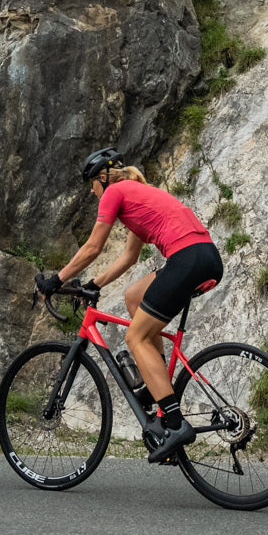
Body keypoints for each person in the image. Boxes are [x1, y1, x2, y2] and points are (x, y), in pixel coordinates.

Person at [36, 147, 223, 462]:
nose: (94, 193)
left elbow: (94, 246)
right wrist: (95, 284)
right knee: (134, 296)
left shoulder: (115, 192)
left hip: (186, 259)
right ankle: (156, 387)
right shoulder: (139, 195)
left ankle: (175, 425)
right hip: (205, 257)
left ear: (102, 178)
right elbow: (129, 257)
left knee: (134, 337)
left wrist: (57, 279)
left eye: (92, 186)